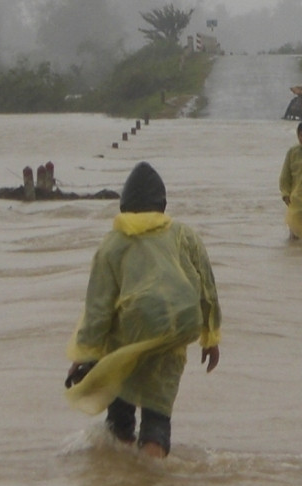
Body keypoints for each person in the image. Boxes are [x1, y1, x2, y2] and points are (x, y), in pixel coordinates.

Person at [64, 161, 222, 459]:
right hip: (177, 329)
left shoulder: (113, 244)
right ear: (162, 205)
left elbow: (98, 308)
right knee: (157, 413)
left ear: (124, 207)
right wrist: (211, 337)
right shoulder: (184, 235)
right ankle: (153, 481)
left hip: (129, 334)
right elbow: (206, 287)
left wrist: (85, 355)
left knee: (120, 417)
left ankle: (129, 478)